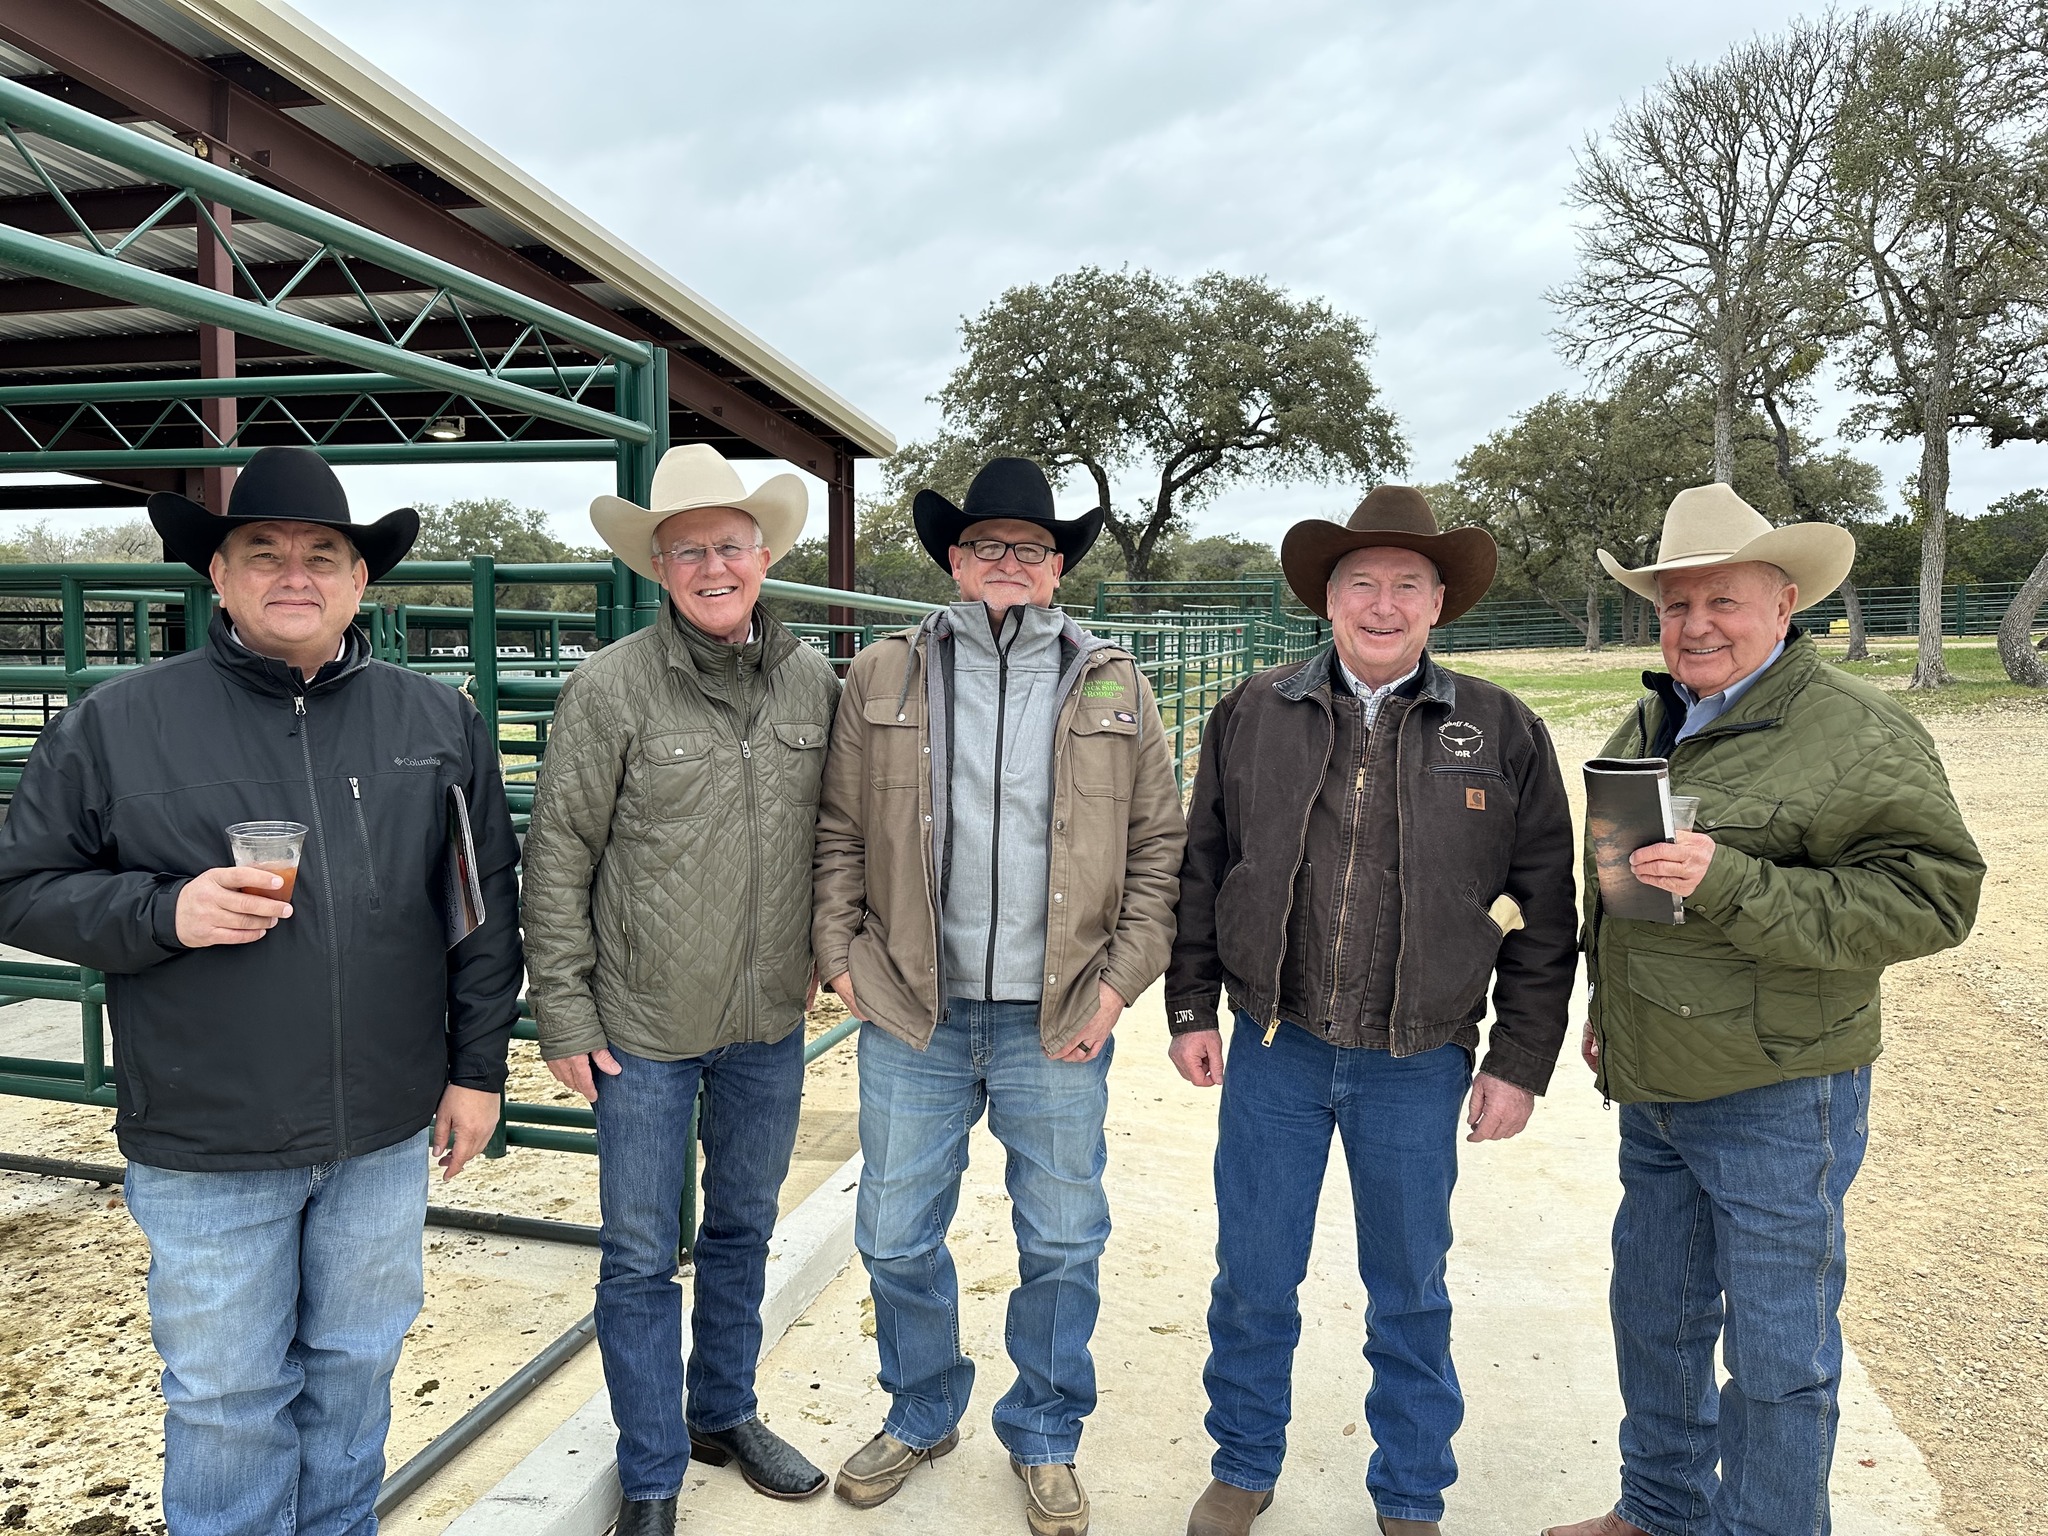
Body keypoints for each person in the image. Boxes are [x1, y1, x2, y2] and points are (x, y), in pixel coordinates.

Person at [0, 445, 523, 1536]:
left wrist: (477, 1070)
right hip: (209, 1134)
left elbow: (479, 910)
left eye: (323, 554)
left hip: (382, 1127)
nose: (296, 573)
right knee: (228, 1398)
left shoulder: (436, 722)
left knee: (355, 1368)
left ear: (359, 580)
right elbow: (22, 888)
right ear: (219, 577)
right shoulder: (118, 722)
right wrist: (161, 912)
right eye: (265, 552)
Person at [1543, 484, 1983, 1536]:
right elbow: (1623, 885)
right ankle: (1657, 1509)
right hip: (1651, 1085)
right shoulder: (1655, 713)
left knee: (1779, 1354)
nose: (1694, 625)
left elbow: (1932, 899)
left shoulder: (1857, 733)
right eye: (1673, 605)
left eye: (1721, 602)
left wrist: (1733, 881)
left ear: (1782, 605)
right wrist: (1609, 1001)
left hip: (1777, 1092)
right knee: (1654, 1318)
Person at [1165, 486, 1579, 1536]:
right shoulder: (1254, 711)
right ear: (1327, 598)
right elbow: (1203, 864)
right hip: (1276, 1046)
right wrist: (1190, 1005)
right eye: (1361, 582)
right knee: (1253, 1274)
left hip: (1420, 1055)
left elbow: (1544, 909)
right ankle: (1243, 1463)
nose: (1381, 603)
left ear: (1438, 601)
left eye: (1405, 583)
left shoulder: (1498, 729)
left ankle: (1408, 1492)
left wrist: (1517, 1059)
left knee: (1409, 1290)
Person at [811, 457, 1185, 1536]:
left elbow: (1159, 846)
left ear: (1058, 567)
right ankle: (923, 1408)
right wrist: (842, 959)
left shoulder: (1114, 681)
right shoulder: (885, 673)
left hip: (1057, 1011)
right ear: (953, 559)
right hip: (911, 1010)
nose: (1005, 564)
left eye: (1028, 547)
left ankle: (1045, 1433)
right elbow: (838, 830)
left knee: (1062, 1239)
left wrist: (1119, 982)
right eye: (985, 547)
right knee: (890, 1233)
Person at [522, 444, 842, 1536]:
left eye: (731, 545)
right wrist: (561, 1009)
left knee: (744, 1228)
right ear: (659, 567)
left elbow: (836, 838)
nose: (713, 565)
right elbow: (558, 852)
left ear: (763, 556)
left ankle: (723, 1411)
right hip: (640, 1027)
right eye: (689, 549)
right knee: (636, 1256)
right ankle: (651, 1469)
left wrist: (827, 953)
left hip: (762, 1020)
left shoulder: (812, 682)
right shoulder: (609, 686)